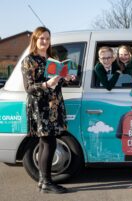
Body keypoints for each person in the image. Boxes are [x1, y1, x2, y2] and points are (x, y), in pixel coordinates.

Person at [21, 27, 75, 194]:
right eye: (41, 38)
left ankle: (43, 181)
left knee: (46, 142)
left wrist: (66, 78)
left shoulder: (53, 59)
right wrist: (46, 84)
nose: (45, 41)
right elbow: (29, 87)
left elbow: (56, 82)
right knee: (48, 142)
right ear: (35, 40)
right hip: (40, 105)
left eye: (47, 38)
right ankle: (46, 182)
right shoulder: (29, 60)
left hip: (54, 104)